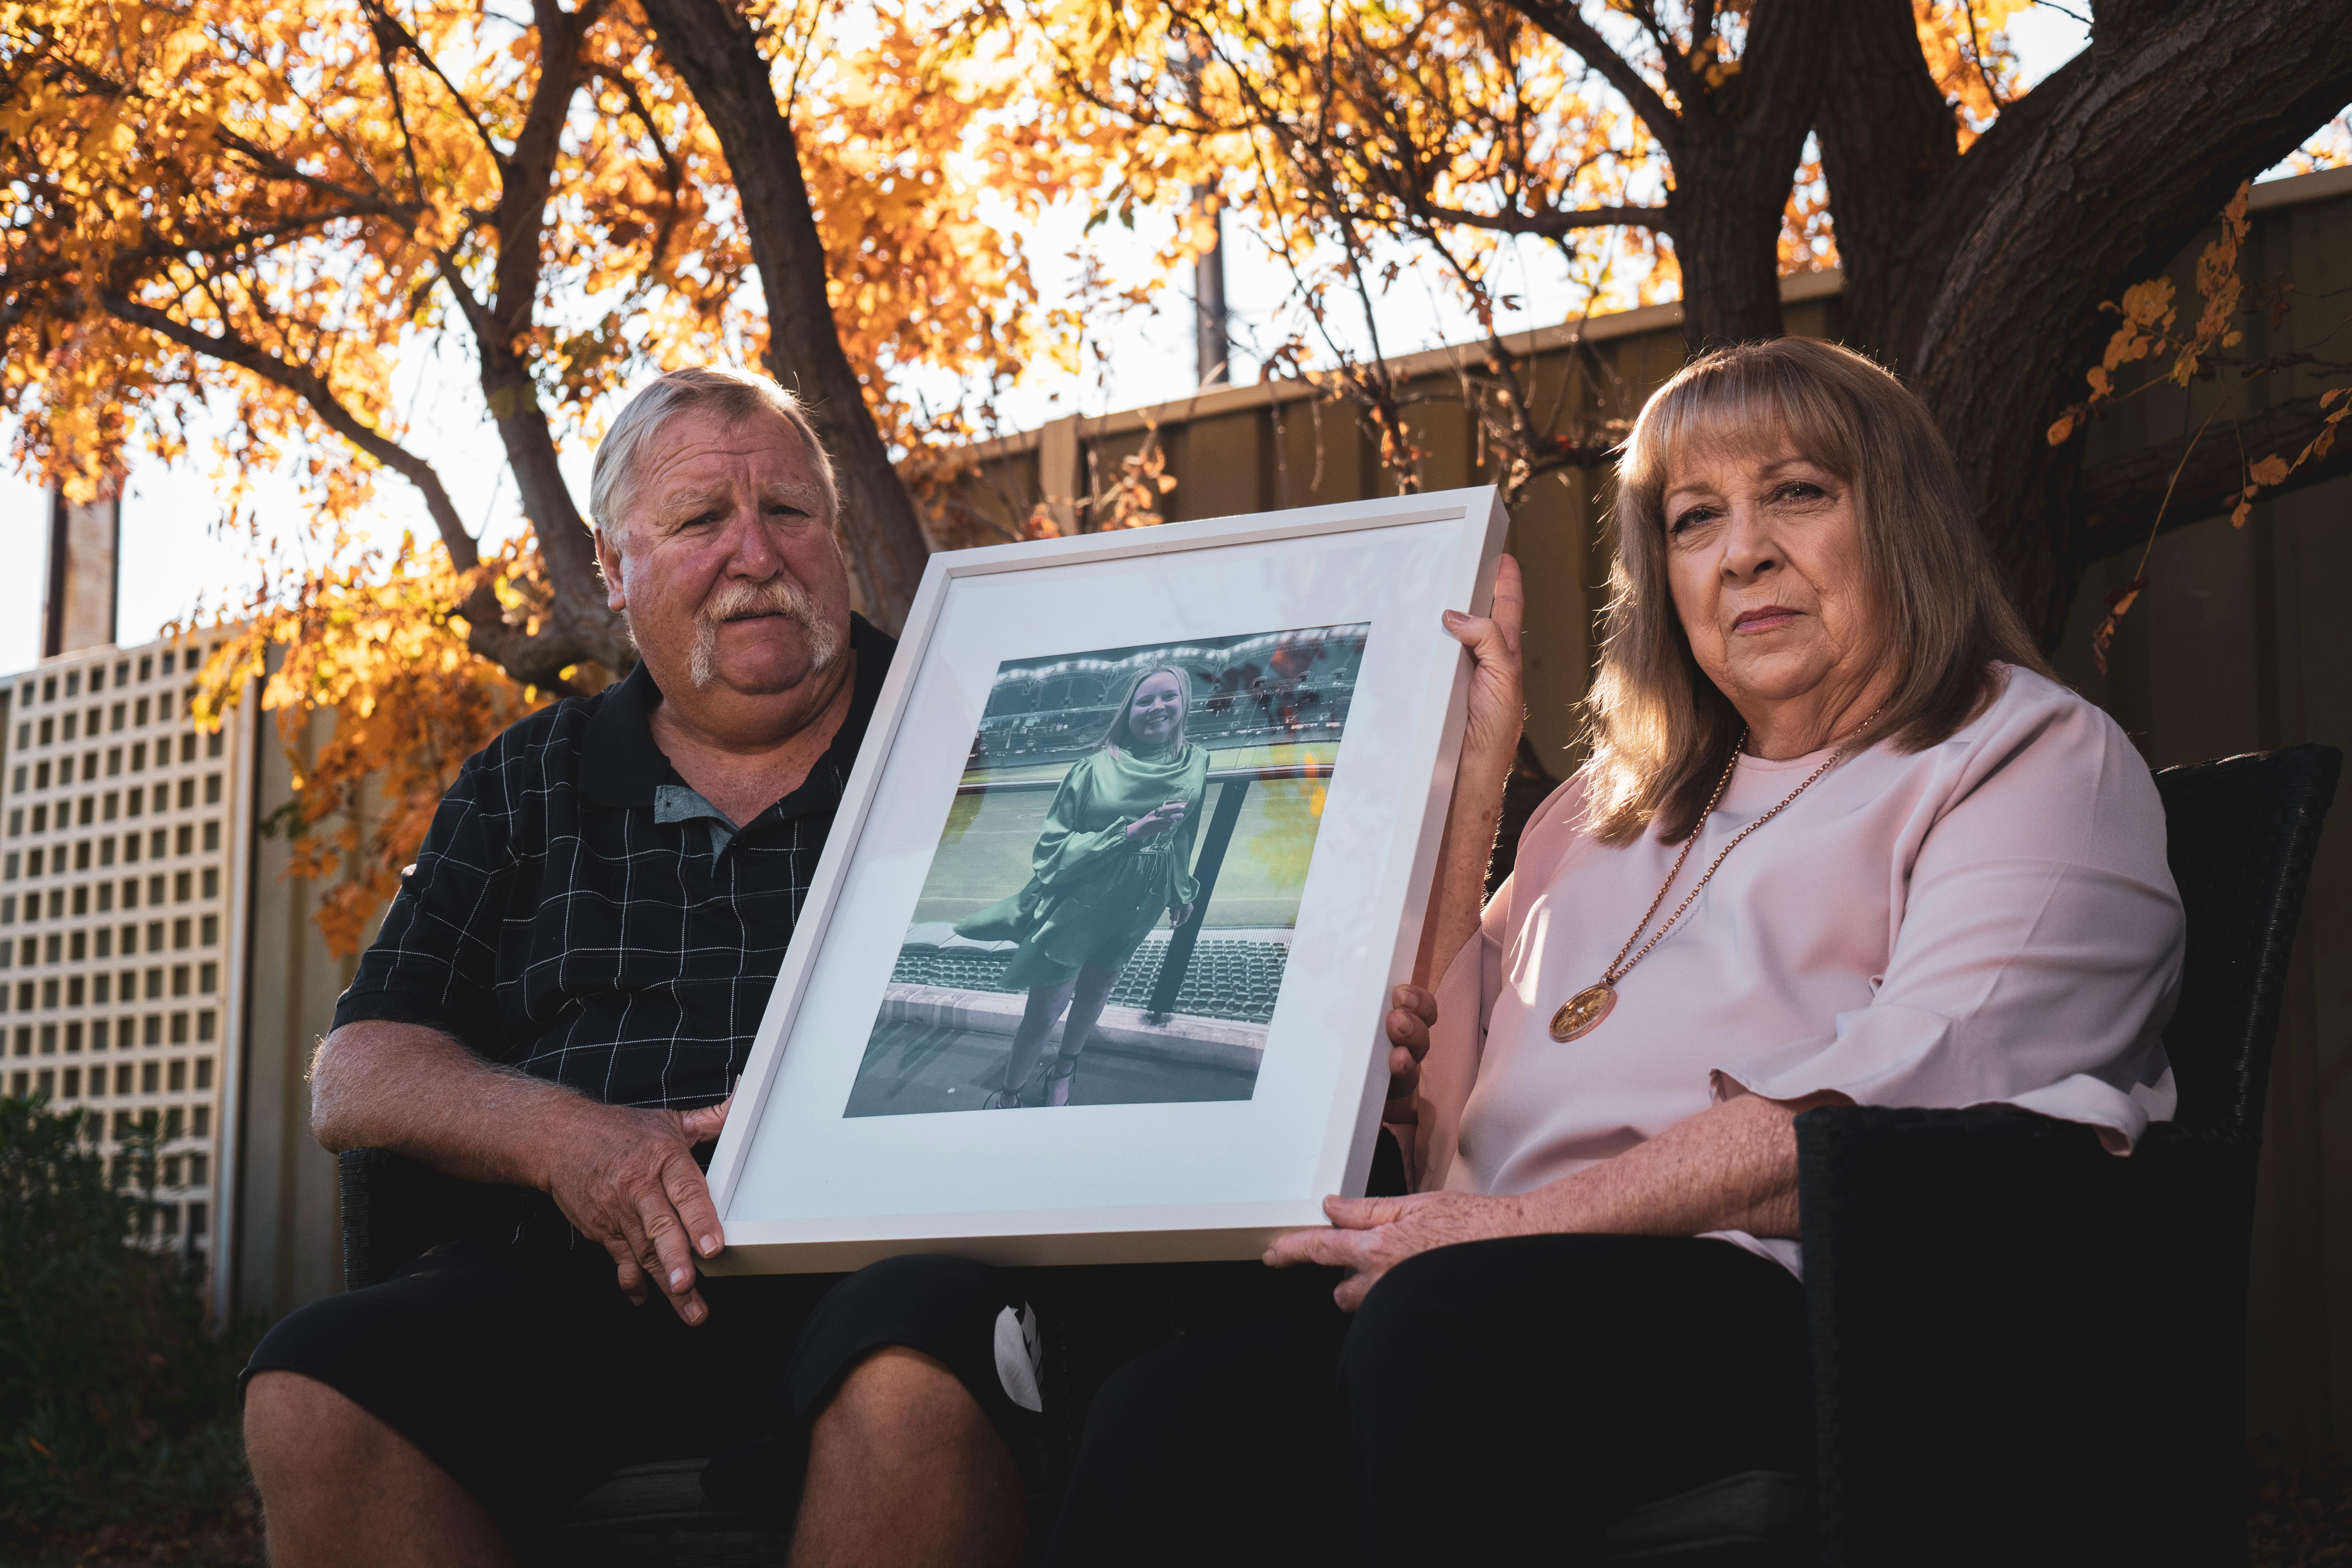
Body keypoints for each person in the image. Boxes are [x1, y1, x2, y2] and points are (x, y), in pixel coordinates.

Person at [1042, 337, 2187, 1567]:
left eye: (1797, 490)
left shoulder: (2020, 757)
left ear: (1898, 520)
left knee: (1441, 1327)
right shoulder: (1600, 808)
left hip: (1817, 1311)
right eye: (1697, 518)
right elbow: (1439, 1116)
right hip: (1485, 1291)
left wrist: (1512, 1228)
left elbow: (1885, 1103)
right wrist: (1476, 774)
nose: (1743, 546)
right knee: (1166, 1411)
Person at [239, 367, 1038, 1568]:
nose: (756, 553)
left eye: (791, 512)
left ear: (836, 540)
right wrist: (569, 1138)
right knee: (313, 1389)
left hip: (889, 1264)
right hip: (573, 1277)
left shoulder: (978, 741)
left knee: (911, 1375)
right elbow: (357, 1071)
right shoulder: (528, 779)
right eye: (702, 521)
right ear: (615, 574)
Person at [957, 666, 1210, 1107]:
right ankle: (1010, 1093)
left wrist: (1181, 892)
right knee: (1046, 1011)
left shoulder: (1198, 762)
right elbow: (1051, 850)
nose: (1157, 709)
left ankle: (1063, 1072)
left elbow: (1184, 833)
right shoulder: (1093, 769)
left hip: (1138, 904)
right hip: (1079, 903)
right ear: (1128, 710)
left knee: (1097, 994)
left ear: (1184, 701)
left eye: (1168, 697)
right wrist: (1129, 833)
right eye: (1144, 701)